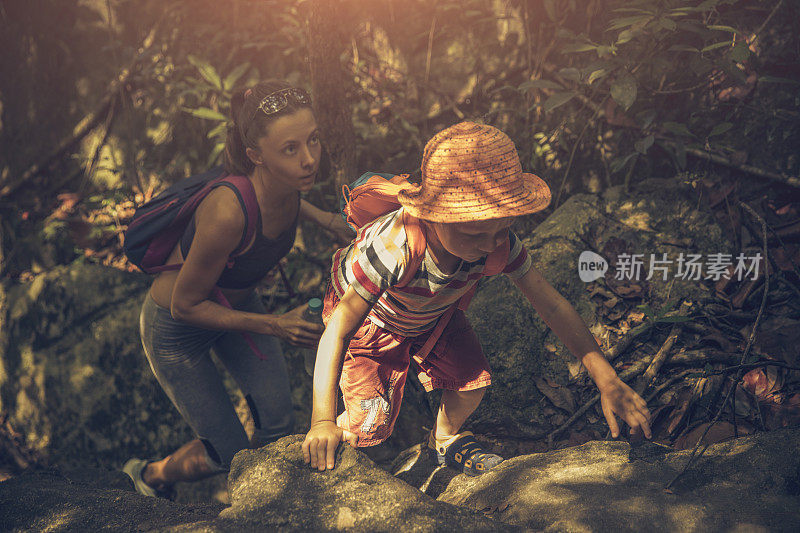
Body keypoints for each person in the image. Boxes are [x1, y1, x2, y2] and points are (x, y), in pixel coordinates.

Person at [302, 122, 652, 476]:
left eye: (502, 230)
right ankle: (332, 441)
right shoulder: (396, 248)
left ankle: (445, 439)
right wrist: (322, 420)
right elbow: (339, 329)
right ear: (432, 216)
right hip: (373, 320)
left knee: (471, 383)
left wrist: (608, 380)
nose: (489, 246)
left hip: (431, 310)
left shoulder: (497, 242)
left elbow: (552, 304)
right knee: (369, 424)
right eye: (473, 234)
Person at [123, 80, 352, 497]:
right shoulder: (226, 211)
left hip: (238, 304)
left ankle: (266, 501)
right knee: (229, 453)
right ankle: (150, 475)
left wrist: (325, 219)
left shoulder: (288, 185)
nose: (308, 159)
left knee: (279, 425)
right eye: (290, 149)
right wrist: (276, 325)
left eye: (313, 140)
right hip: (178, 330)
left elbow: (287, 200)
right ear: (255, 156)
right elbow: (184, 306)